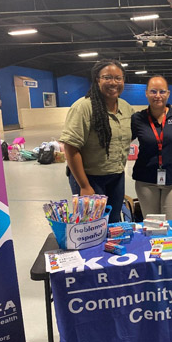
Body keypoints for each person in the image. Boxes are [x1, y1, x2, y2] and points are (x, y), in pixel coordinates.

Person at [60, 59, 133, 223]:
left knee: (114, 221)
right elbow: (71, 149)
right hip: (89, 178)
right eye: (107, 77)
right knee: (92, 225)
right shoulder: (83, 107)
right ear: (97, 80)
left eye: (118, 78)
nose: (113, 83)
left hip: (116, 177)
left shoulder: (126, 108)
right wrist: (84, 186)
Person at [131, 75, 172, 220]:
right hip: (146, 180)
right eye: (153, 91)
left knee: (171, 225)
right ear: (146, 93)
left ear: (168, 93)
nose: (158, 96)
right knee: (152, 226)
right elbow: (121, 142)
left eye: (162, 92)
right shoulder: (137, 119)